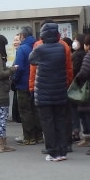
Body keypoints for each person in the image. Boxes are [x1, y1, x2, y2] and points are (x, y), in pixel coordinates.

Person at [29, 21, 73, 162]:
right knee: (60, 120)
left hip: (44, 91)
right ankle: (62, 151)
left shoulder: (40, 49)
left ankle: (53, 152)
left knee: (47, 122)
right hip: (60, 90)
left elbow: (32, 60)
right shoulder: (62, 48)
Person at [12, 26, 41, 145]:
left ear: (22, 36)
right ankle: (39, 135)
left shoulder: (22, 49)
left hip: (23, 84)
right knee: (35, 110)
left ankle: (29, 137)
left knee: (25, 111)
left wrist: (14, 80)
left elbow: (18, 68)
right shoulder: (36, 46)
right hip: (35, 83)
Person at [70, 33, 88, 145]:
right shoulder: (85, 54)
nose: (74, 42)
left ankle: (80, 133)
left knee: (78, 111)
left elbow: (75, 71)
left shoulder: (78, 55)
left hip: (77, 87)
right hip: (82, 86)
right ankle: (84, 134)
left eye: (75, 40)